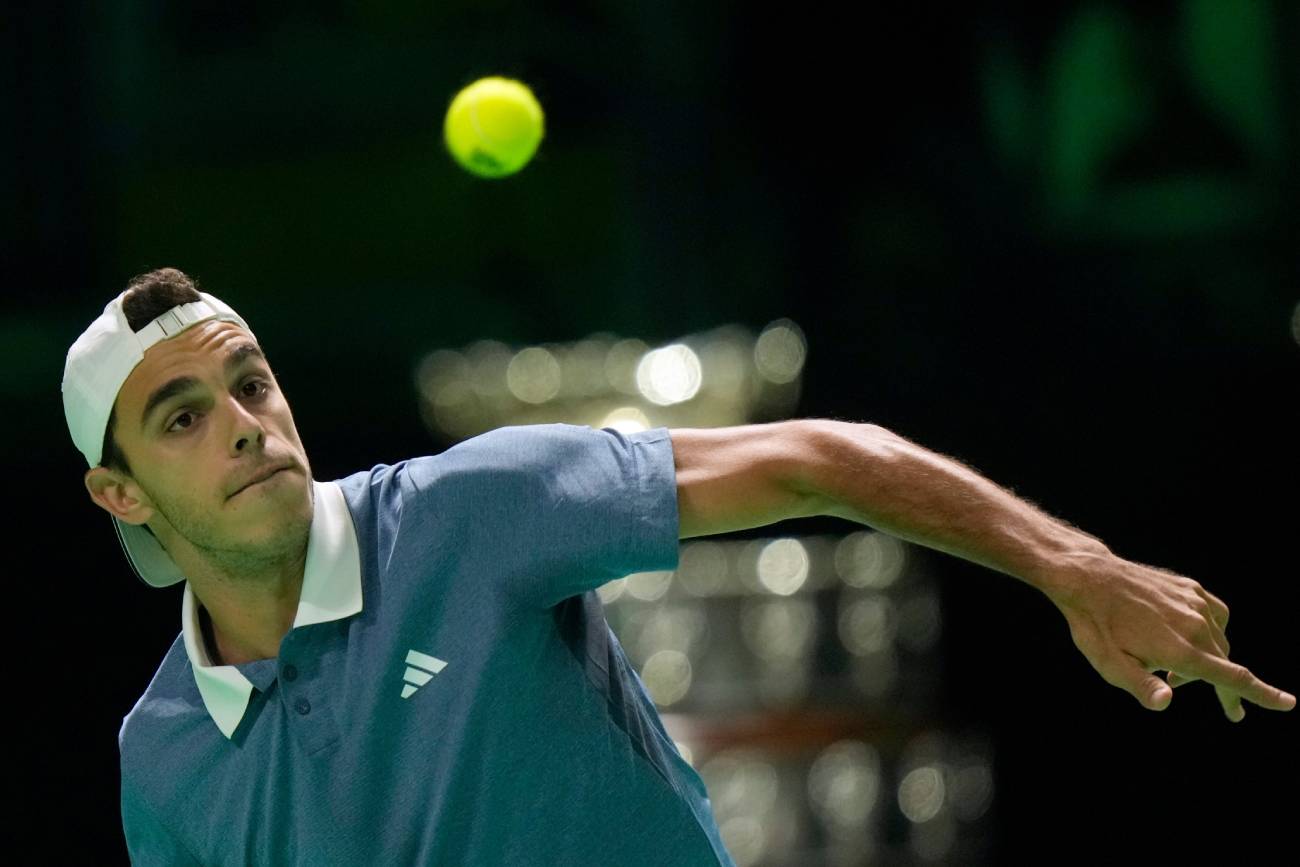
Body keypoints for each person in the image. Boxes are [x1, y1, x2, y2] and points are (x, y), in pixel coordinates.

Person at [66, 269, 1293, 866]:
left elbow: (817, 459)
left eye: (252, 383)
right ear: (121, 495)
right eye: (183, 418)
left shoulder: (468, 515)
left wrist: (1075, 567)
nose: (244, 426)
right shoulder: (162, 759)